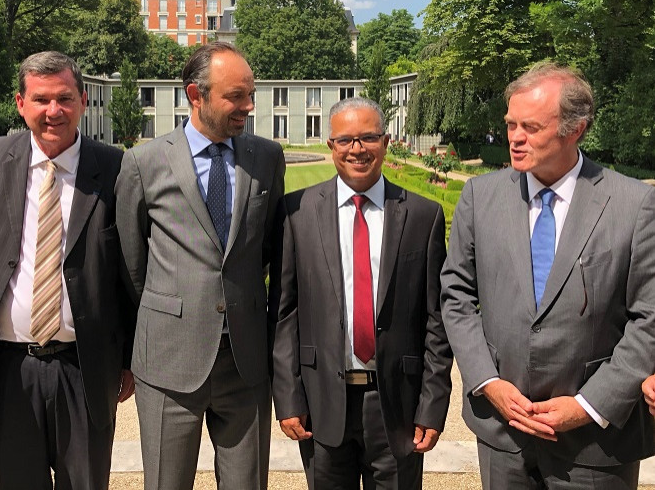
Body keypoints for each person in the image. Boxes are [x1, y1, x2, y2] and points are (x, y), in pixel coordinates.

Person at [442, 62, 655, 488]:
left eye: (532, 127)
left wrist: (589, 405)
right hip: (504, 434)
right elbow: (456, 295)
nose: (515, 138)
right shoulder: (479, 196)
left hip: (595, 443)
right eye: (510, 124)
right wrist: (488, 383)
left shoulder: (633, 204)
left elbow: (649, 318)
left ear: (576, 129)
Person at [0, 51, 134, 490]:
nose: (53, 111)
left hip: (85, 367)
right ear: (20, 104)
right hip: (8, 369)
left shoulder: (116, 169)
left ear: (84, 99)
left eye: (64, 98)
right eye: (40, 99)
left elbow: (133, 272)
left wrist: (129, 359)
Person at [116, 42, 285, 490]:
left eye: (251, 94)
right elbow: (132, 264)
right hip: (169, 361)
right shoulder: (143, 162)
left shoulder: (266, 159)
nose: (248, 106)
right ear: (196, 94)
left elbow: (266, 246)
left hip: (245, 361)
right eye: (236, 96)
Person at [271, 97, 452, 488]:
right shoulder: (297, 212)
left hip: (397, 403)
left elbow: (437, 321)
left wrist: (432, 404)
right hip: (321, 401)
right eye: (346, 139)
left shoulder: (423, 216)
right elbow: (285, 313)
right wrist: (288, 397)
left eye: (369, 137)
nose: (357, 149)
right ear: (330, 145)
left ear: (386, 142)